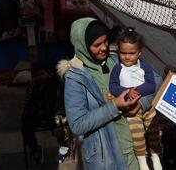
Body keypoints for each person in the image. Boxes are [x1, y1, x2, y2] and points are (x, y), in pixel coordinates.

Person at [57, 17, 156, 170]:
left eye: (105, 42)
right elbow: (77, 124)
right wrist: (114, 106)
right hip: (106, 159)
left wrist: (141, 104)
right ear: (82, 46)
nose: (103, 48)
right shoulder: (75, 78)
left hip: (136, 149)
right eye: (96, 45)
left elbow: (155, 83)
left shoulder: (119, 60)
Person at [109, 28, 162, 170]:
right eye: (123, 53)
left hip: (147, 107)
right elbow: (113, 87)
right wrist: (126, 92)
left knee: (154, 131)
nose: (127, 57)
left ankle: (155, 156)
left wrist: (136, 91)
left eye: (131, 53)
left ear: (139, 53)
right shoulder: (117, 69)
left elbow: (151, 86)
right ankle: (142, 161)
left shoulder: (145, 67)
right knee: (137, 135)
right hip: (131, 109)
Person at [21, 63, 59, 165]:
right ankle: (35, 150)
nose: (40, 77)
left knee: (62, 126)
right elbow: (28, 103)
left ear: (47, 73)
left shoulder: (55, 83)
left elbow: (57, 101)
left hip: (54, 113)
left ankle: (63, 149)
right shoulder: (32, 86)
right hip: (38, 114)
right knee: (26, 126)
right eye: (37, 75)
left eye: (42, 73)